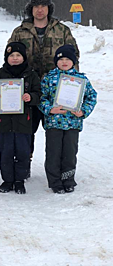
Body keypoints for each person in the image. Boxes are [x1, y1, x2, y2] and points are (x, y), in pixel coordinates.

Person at [8, 0, 80, 176]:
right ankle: (24, 166)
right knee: (26, 131)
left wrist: (73, 85)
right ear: (31, 9)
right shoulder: (20, 31)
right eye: (36, 6)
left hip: (55, 93)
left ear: (49, 8)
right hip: (28, 90)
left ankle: (58, 170)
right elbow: (10, 59)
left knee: (56, 133)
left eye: (43, 6)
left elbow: (73, 57)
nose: (40, 10)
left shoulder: (62, 30)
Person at [38, 45, 97, 194]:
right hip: (54, 123)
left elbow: (91, 97)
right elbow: (41, 98)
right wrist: (50, 109)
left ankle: (68, 180)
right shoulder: (49, 78)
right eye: (61, 59)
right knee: (53, 153)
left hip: (72, 123)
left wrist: (83, 111)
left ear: (73, 61)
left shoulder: (81, 79)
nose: (64, 62)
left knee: (70, 154)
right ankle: (55, 182)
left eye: (68, 59)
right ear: (56, 61)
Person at [0, 42, 41, 194]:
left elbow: (38, 94)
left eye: (18, 55)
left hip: (23, 122)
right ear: (7, 58)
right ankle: (7, 180)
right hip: (4, 122)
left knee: (22, 153)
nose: (15, 58)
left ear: (24, 57)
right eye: (11, 56)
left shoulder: (31, 74)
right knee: (5, 152)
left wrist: (30, 97)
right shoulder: (0, 73)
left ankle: (19, 180)